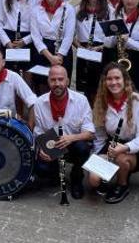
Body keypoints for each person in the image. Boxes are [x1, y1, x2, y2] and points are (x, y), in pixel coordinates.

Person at [89, 63, 139, 203]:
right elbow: (99, 135)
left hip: (134, 148)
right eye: (109, 79)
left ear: (125, 80)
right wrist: (97, 156)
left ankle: (122, 185)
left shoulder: (138, 101)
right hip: (111, 144)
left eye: (117, 78)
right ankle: (115, 171)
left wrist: (124, 147)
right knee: (93, 180)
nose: (113, 82)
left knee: (122, 158)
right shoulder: (101, 101)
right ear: (105, 82)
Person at [33, 65, 94, 199]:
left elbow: (90, 132)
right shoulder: (39, 103)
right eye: (53, 80)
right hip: (52, 144)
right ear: (48, 81)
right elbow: (38, 131)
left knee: (83, 148)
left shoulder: (81, 100)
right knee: (40, 170)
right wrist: (41, 149)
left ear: (67, 81)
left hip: (73, 144)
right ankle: (55, 172)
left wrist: (71, 138)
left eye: (61, 79)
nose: (57, 84)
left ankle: (77, 177)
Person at [30, 0, 76, 94]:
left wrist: (59, 56)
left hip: (62, 52)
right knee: (41, 88)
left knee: (61, 88)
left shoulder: (68, 9)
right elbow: (36, 36)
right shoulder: (35, 10)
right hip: (43, 52)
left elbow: (69, 36)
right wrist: (50, 57)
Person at [74, 0, 113, 103]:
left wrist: (99, 48)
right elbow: (69, 34)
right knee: (85, 88)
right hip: (84, 51)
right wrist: (79, 46)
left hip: (101, 51)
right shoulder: (77, 9)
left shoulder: (109, 11)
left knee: (100, 88)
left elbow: (112, 38)